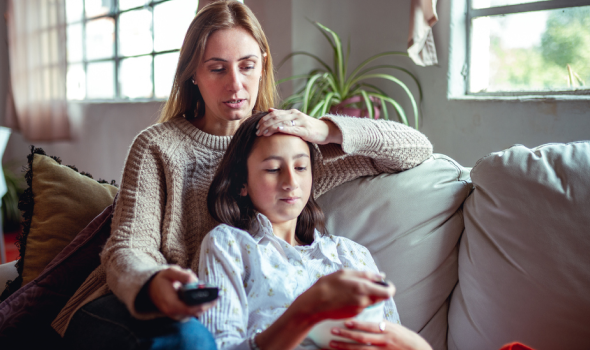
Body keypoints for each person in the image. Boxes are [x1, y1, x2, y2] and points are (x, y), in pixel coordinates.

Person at [55, 1, 433, 349]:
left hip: (216, 319)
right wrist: (154, 283)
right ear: (193, 75)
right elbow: (128, 248)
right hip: (134, 305)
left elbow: (415, 149)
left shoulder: (285, 146)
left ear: (263, 65)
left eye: (247, 66)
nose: (236, 85)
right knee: (192, 337)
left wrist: (326, 131)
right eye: (217, 68)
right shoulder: (157, 146)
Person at [198, 112, 432, 350]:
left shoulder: (351, 254)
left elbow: (418, 148)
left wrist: (326, 130)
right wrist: (305, 312)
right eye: (272, 169)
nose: (291, 182)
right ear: (241, 183)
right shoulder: (229, 245)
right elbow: (221, 346)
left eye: (301, 167)